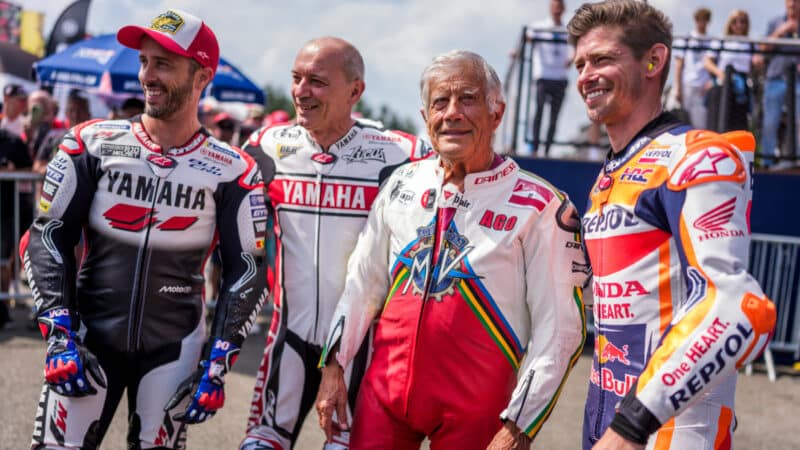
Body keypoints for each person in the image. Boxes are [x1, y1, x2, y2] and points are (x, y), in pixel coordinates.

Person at [314, 50, 588, 449]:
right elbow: (362, 284)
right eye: (440, 102)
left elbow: (561, 330)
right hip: (384, 397)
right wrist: (333, 369)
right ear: (425, 118)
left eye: (468, 99)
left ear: (497, 113)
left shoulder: (541, 205)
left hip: (477, 410)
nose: (452, 113)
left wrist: (520, 425)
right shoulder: (401, 182)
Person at [23, 8, 270, 449]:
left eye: (164, 63)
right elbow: (46, 236)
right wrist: (59, 332)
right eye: (144, 61)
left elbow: (247, 271)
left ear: (201, 77)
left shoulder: (235, 170)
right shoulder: (90, 143)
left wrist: (218, 362)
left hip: (172, 351)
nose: (148, 75)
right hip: (87, 340)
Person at [566, 1, 777, 448]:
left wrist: (630, 427)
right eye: (580, 63)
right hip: (604, 424)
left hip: (665, 434)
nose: (585, 75)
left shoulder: (699, 155)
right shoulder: (610, 172)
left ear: (654, 60)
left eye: (602, 58)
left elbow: (734, 305)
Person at [238, 37, 430, 450]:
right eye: (296, 78)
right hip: (289, 336)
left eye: (318, 82)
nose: (302, 91)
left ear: (355, 91)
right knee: (260, 443)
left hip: (362, 349)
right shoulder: (264, 147)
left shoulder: (402, 154)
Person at [527, 0, 572, 157]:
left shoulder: (569, 29)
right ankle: (534, 147)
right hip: (543, 76)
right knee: (538, 111)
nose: (556, 10)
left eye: (559, 7)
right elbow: (527, 37)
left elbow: (579, 45)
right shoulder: (540, 26)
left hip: (560, 77)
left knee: (554, 116)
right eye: (554, 7)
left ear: (563, 9)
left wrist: (572, 59)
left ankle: (547, 149)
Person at [703, 9, 759, 133]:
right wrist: (720, 73)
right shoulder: (722, 40)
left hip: (741, 90)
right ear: (730, 23)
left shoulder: (750, 43)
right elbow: (707, 61)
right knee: (717, 124)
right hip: (722, 85)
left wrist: (757, 62)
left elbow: (756, 63)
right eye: (735, 21)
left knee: (737, 127)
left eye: (742, 21)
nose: (738, 25)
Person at [760, 0, 800, 169]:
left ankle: (797, 160)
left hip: (797, 81)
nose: (792, 4)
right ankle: (766, 162)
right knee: (770, 122)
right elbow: (763, 48)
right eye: (789, 1)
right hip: (775, 79)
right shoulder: (774, 23)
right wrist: (781, 31)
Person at [672, 8, 713, 129]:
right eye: (699, 20)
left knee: (701, 124)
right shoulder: (687, 39)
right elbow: (679, 64)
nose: (702, 23)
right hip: (687, 85)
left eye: (704, 20)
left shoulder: (712, 41)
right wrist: (678, 88)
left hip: (703, 87)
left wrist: (711, 82)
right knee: (683, 121)